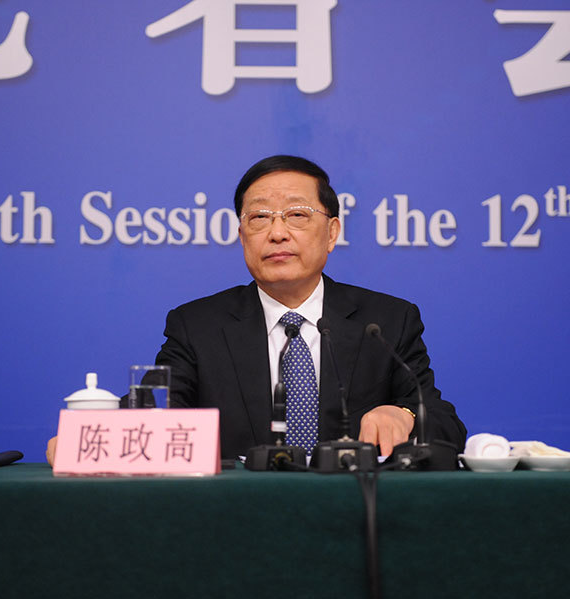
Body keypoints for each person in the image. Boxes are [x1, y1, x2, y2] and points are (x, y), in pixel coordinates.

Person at [48, 155, 464, 464]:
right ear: (242, 234)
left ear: (332, 232)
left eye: (297, 215)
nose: (277, 232)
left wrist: (405, 414)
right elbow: (157, 407)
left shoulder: (387, 321)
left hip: (355, 509)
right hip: (236, 518)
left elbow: (445, 423)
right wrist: (89, 438)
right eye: (260, 217)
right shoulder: (198, 326)